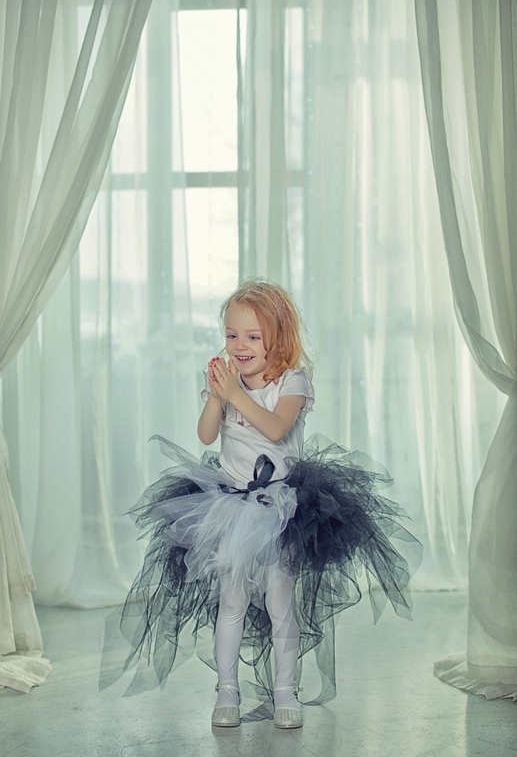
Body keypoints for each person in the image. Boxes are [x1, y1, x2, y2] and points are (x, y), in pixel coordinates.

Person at [100, 279, 421, 729]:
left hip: (282, 510)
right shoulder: (226, 383)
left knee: (279, 601)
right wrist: (218, 395)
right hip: (229, 507)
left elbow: (274, 428)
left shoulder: (292, 381)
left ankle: (285, 690)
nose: (240, 345)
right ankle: (226, 690)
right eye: (232, 335)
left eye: (253, 336)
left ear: (279, 338)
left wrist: (235, 395)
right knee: (231, 601)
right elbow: (206, 435)